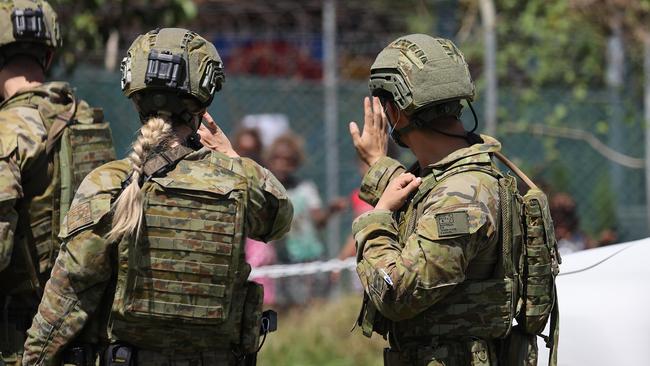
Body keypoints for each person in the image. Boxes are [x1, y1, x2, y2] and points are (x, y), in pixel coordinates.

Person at [22, 28, 292, 366]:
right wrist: (233, 157)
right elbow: (279, 217)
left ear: (134, 94)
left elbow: (68, 298)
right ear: (205, 98)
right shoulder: (240, 180)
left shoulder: (109, 183)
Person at [350, 34, 558, 365]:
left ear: (394, 111)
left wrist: (375, 221)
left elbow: (397, 293)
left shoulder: (462, 198)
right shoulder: (458, 180)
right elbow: (425, 201)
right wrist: (378, 166)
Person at [0, 1, 115, 364]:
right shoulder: (89, 124)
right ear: (48, 56)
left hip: (19, 347)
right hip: (82, 340)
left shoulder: (9, 130)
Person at [266, 132, 346, 306]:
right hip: (285, 258)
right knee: (290, 304)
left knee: (315, 303)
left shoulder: (305, 189)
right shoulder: (267, 191)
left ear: (295, 163)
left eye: (287, 160)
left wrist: (330, 210)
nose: (281, 164)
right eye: (277, 159)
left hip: (311, 255)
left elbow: (318, 221)